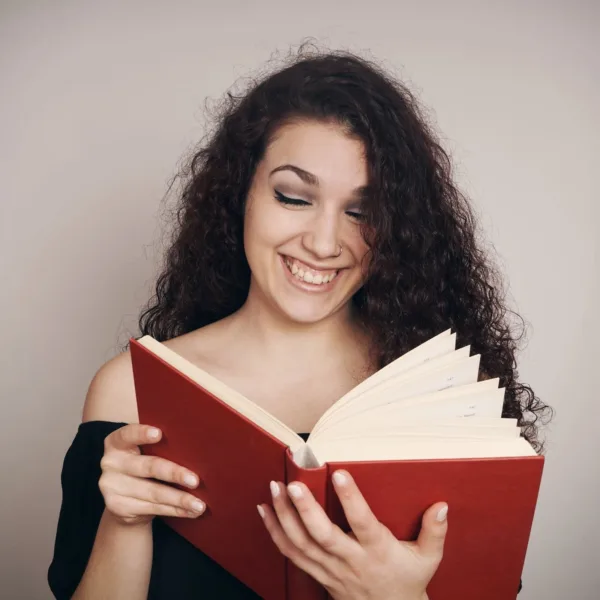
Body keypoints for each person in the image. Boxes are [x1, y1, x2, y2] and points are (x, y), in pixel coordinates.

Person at [48, 46, 550, 599]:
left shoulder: (443, 403)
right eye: (293, 196)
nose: (323, 242)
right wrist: (123, 524)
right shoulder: (132, 390)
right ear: (241, 194)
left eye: (361, 212)